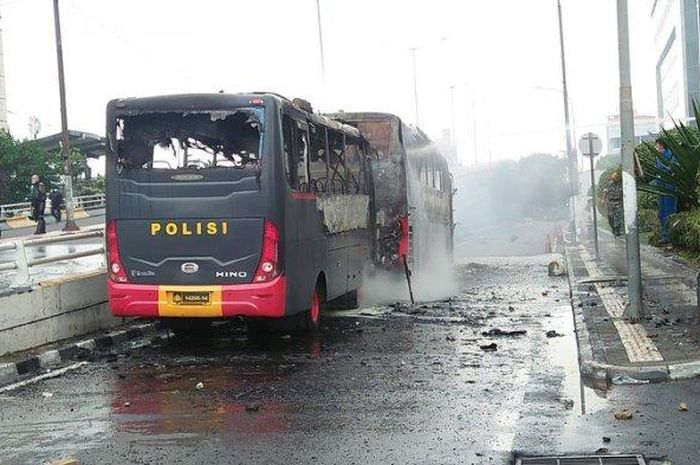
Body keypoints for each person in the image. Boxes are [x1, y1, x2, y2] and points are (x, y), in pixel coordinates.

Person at [655, 138, 678, 244]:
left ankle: (671, 237)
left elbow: (674, 168)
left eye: (657, 145)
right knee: (662, 212)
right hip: (660, 185)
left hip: (669, 185)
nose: (656, 148)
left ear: (662, 145)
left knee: (670, 210)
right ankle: (665, 236)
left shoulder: (671, 155)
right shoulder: (658, 157)